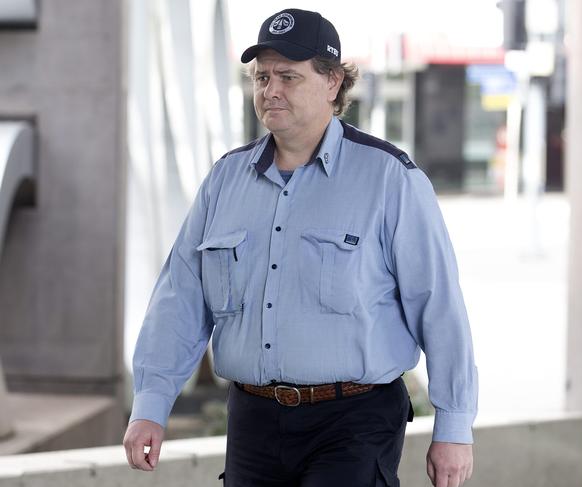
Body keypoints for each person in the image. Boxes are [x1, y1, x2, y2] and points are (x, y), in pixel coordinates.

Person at [123, 7, 478, 487]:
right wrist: (150, 404)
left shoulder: (390, 178)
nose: (270, 90)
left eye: (288, 76)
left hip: (354, 421)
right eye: (261, 76)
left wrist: (453, 426)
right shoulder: (225, 180)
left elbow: (439, 306)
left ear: (332, 82)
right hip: (253, 420)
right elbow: (179, 299)